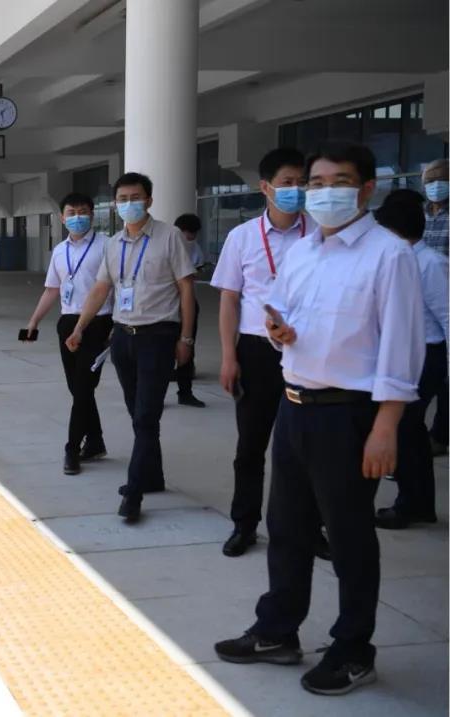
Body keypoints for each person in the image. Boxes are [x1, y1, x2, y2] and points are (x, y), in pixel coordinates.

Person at [214, 142, 425, 696]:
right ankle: (277, 630)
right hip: (296, 404)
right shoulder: (304, 250)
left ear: (367, 189)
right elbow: (285, 315)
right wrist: (280, 331)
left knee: (350, 537)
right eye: (317, 183)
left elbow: (402, 348)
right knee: (286, 527)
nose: (325, 192)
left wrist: (386, 426)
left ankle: (353, 650)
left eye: (340, 182)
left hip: (349, 415)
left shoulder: (388, 255)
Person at [66, 172, 196, 523]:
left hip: (158, 336)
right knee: (137, 414)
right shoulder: (113, 244)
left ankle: (134, 491)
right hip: (122, 337)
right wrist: (80, 326)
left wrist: (186, 339)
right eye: (122, 199)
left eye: (135, 197)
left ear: (149, 200)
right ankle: (153, 475)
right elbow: (101, 289)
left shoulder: (169, 237)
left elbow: (186, 289)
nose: (129, 204)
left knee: (146, 416)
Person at [210, 147, 312, 557]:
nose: (296, 190)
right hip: (255, 352)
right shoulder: (242, 237)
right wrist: (229, 356)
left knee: (306, 448)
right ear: (266, 187)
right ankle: (244, 524)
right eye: (288, 183)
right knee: (251, 446)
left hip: (308, 351)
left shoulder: (320, 233)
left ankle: (309, 528)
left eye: (302, 183)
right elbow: (229, 300)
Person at [23, 192, 113, 475]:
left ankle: (72, 449)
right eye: (71, 213)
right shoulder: (60, 250)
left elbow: (115, 286)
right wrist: (34, 322)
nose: (77, 217)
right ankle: (95, 440)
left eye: (83, 212)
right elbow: (52, 289)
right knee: (77, 388)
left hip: (98, 324)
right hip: (67, 323)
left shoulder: (107, 246)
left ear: (92, 214)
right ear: (62, 218)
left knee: (84, 388)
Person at [372, 189, 446, 529]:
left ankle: (410, 504)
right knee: (410, 432)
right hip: (407, 352)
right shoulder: (398, 260)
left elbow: (447, 315)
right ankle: (418, 503)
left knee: (403, 429)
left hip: (427, 356)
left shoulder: (430, 263)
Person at [422, 158, 449, 455]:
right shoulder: (422, 214)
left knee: (445, 381)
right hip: (421, 302)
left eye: (442, 179)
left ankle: (440, 435)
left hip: (446, 300)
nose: (436, 186)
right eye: (430, 181)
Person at [172, 213, 206, 408]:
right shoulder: (167, 245)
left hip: (188, 303)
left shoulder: (195, 248)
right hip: (166, 305)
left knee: (187, 346)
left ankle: (185, 392)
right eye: (187, 233)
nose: (190, 237)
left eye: (193, 234)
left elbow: (197, 271)